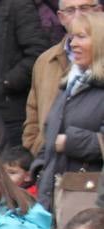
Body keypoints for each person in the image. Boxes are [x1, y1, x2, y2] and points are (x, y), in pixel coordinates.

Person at [34, 10, 104, 214]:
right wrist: (39, 169)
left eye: (81, 37)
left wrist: (69, 142)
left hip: (90, 201)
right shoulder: (68, 87)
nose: (72, 44)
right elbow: (48, 135)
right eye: (72, 37)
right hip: (54, 197)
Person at [0, 0, 53, 148]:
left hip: (10, 110)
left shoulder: (19, 5)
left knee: (8, 166)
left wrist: (9, 82)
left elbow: (37, 52)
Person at [25, 0, 97, 157]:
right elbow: (32, 119)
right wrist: (41, 161)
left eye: (84, 8)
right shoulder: (44, 61)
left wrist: (68, 143)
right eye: (70, 11)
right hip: (51, 169)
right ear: (61, 17)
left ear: (98, 10)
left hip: (92, 174)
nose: (78, 16)